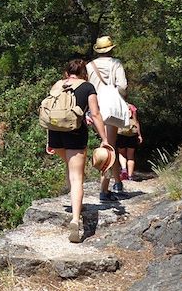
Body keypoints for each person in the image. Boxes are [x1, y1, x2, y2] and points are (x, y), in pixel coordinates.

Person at [47, 58, 111, 243]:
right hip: (75, 131)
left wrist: (48, 140)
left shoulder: (58, 84)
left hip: (55, 132)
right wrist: (105, 139)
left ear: (67, 72)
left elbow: (51, 109)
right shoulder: (87, 87)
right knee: (77, 177)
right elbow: (96, 114)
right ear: (84, 73)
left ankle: (76, 202)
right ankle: (75, 219)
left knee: (69, 167)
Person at [87, 36, 127, 200]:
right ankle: (104, 190)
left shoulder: (90, 66)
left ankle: (117, 182)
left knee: (110, 145)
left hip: (95, 108)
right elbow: (123, 86)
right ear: (111, 49)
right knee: (109, 148)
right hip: (111, 108)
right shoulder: (116, 63)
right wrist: (118, 96)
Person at [116, 103, 143, 180]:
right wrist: (139, 135)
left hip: (121, 133)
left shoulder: (118, 106)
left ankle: (124, 169)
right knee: (130, 156)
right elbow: (136, 122)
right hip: (132, 134)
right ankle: (130, 176)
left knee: (121, 153)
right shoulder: (132, 107)